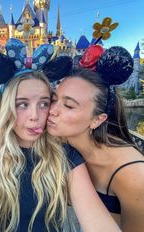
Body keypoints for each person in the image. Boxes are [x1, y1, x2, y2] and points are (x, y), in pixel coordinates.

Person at [0, 71, 120, 232]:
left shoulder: (67, 157)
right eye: (22, 104)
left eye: (44, 103)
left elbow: (97, 220)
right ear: (6, 107)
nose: (35, 116)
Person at [47, 65, 144, 231]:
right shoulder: (59, 143)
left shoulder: (133, 174)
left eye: (69, 106)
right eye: (54, 100)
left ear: (97, 120)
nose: (52, 110)